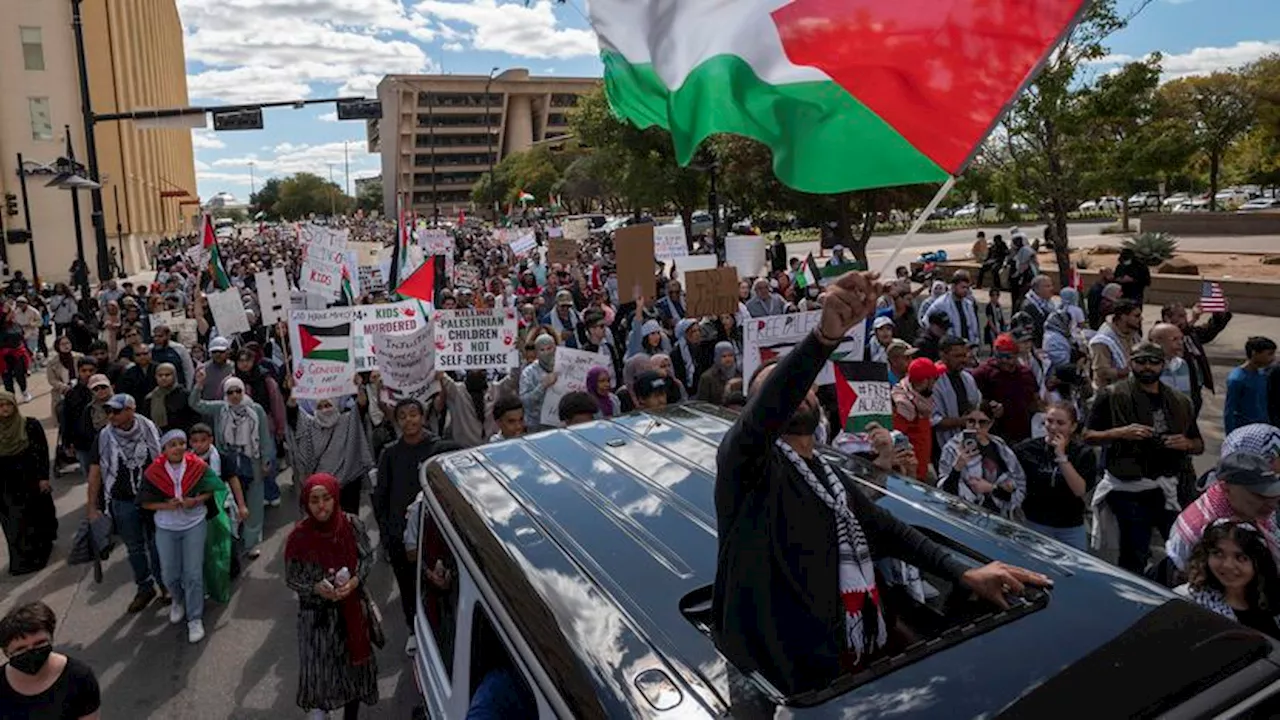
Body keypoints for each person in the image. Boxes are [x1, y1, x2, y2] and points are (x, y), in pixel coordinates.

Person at [713, 271, 1050, 697]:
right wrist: (821, 338)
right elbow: (768, 406)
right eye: (782, 387)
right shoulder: (746, 465)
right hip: (770, 680)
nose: (799, 393)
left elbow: (890, 531)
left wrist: (965, 572)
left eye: (806, 388)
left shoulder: (831, 478)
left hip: (839, 664)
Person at [1084, 341, 1203, 573]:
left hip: (1170, 485)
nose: (1147, 367)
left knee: (1179, 549)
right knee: (1134, 552)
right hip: (1129, 488)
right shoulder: (1111, 395)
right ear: (1131, 363)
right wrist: (1119, 433)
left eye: (1153, 362)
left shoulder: (1179, 401)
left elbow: (1198, 444)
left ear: (1163, 365)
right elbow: (1087, 435)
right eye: (1141, 361)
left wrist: (1185, 443)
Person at [286, 473, 379, 719]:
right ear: (307, 503)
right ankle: (321, 708)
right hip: (316, 619)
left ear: (335, 498)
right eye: (314, 500)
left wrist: (355, 581)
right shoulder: (299, 537)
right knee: (321, 672)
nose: (321, 506)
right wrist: (315, 588)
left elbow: (367, 557)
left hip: (351, 612)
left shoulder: (352, 525)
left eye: (326, 498)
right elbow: (292, 577)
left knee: (354, 671)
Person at [372, 399, 461, 656]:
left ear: (423, 417)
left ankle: (442, 631)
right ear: (397, 421)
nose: (409, 420)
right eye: (403, 416)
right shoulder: (390, 453)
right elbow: (382, 497)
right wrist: (389, 534)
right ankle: (414, 629)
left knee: (439, 582)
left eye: (414, 414)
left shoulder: (440, 447)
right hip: (402, 537)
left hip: (435, 534)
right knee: (409, 584)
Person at [137, 430, 225, 644]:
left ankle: (194, 618)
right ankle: (178, 600)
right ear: (164, 449)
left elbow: (213, 489)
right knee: (170, 574)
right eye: (172, 444)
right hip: (166, 527)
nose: (177, 448)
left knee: (193, 573)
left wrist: (195, 501)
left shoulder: (197, 466)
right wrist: (166, 506)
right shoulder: (153, 471)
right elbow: (144, 502)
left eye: (181, 443)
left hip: (194, 523)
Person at [86, 393, 166, 612]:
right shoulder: (103, 437)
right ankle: (144, 588)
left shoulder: (150, 429)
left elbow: (164, 462)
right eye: (108, 411)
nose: (111, 415)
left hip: (152, 500)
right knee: (134, 548)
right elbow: (95, 473)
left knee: (158, 545)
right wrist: (92, 506)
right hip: (123, 501)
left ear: (131, 409)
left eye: (116, 411)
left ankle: (165, 586)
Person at [1166, 425, 1280, 573]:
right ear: (1226, 488)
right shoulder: (1214, 536)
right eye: (1260, 494)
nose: (1273, 501)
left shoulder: (1246, 507)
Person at [189, 373, 276, 559]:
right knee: (232, 503)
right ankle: (232, 541)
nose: (235, 395)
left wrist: (266, 460)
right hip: (228, 461)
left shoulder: (256, 409)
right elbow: (195, 404)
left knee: (253, 503)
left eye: (238, 391)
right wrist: (199, 385)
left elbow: (264, 436)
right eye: (230, 392)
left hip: (251, 460)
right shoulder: (221, 408)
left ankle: (251, 542)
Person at [1013, 403, 1099, 550]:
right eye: (1049, 421)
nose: (1053, 427)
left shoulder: (1083, 453)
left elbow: (1079, 490)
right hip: (1035, 522)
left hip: (1069, 526)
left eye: (1060, 423)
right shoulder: (1027, 449)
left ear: (1072, 427)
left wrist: (1061, 456)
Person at [1179, 520, 1280, 640]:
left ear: (1259, 563)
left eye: (1241, 558)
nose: (1228, 565)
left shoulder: (1272, 600)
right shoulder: (1188, 602)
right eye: (1218, 554)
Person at [0, 601, 101, 719]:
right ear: (7, 653)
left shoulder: (79, 677)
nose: (32, 652)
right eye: (21, 649)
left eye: (39, 643)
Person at [289, 389, 374, 516]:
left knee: (347, 524)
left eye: (328, 405)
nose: (325, 410)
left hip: (348, 485)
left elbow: (361, 405)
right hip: (321, 487)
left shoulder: (348, 421)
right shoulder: (309, 426)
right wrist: (294, 391)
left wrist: (359, 386)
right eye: (320, 407)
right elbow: (293, 412)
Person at [938, 401, 1026, 519]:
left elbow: (1018, 485)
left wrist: (991, 488)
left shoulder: (1000, 447)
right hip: (963, 516)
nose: (976, 426)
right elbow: (945, 491)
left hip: (999, 517)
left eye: (982, 422)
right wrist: (958, 467)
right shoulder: (952, 448)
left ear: (991, 423)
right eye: (971, 421)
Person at [0, 391, 56, 575]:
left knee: (35, 519)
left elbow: (41, 453)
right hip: (6, 486)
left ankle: (38, 556)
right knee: (13, 524)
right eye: (0, 406)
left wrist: (43, 477)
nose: (5, 409)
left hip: (30, 481)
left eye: (8, 405)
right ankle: (20, 562)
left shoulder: (30, 425)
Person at [973, 334, 1039, 443]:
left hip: (1023, 431)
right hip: (995, 434)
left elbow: (1035, 400)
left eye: (1008, 357)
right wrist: (988, 406)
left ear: (1016, 355)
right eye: (1000, 356)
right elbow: (973, 402)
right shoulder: (983, 373)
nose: (1004, 361)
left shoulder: (1025, 373)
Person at [892, 357, 940, 480]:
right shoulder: (901, 407)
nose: (935, 383)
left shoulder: (921, 401)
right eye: (934, 379)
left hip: (923, 471)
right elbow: (898, 445)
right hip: (909, 478)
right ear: (925, 381)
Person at [1089, 299, 1142, 391]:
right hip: (1109, 394)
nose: (1141, 319)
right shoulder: (1102, 340)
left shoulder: (1133, 332)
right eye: (1136, 316)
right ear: (1123, 317)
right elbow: (1102, 372)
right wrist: (1129, 371)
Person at [1226, 336, 1276, 433]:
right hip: (1244, 431)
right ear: (1254, 353)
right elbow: (1230, 410)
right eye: (1269, 354)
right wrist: (1231, 436)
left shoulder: (1263, 375)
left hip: (1264, 430)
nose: (1273, 358)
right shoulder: (1237, 379)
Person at [142, 362, 201, 434]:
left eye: (167, 375)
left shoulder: (185, 395)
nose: (163, 378)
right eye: (160, 375)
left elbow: (194, 419)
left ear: (174, 376)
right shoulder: (150, 398)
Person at [519, 334, 557, 433]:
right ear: (536, 352)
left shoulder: (563, 366)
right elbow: (525, 401)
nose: (546, 353)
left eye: (549, 348)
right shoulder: (528, 373)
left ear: (555, 348)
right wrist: (542, 386)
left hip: (560, 423)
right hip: (537, 427)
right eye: (542, 350)